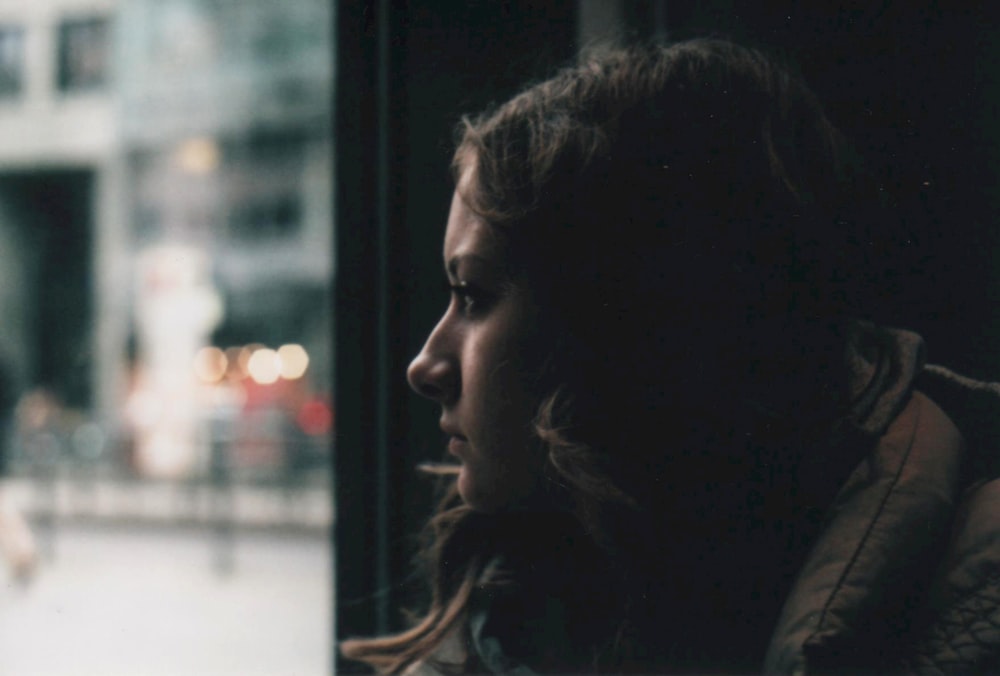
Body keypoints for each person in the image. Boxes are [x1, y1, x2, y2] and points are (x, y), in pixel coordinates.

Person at [341, 38, 1000, 674]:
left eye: (474, 295)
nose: (424, 366)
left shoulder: (973, 602)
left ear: (627, 318)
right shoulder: (524, 584)